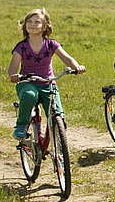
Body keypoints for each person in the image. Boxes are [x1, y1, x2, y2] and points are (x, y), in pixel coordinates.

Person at [6, 8, 86, 147]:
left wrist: (76, 67)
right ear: (25, 25)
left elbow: (67, 58)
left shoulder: (51, 44)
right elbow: (13, 67)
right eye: (29, 21)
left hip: (48, 83)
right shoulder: (22, 47)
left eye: (37, 22)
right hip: (27, 82)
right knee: (30, 95)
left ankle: (58, 147)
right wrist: (14, 76)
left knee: (57, 114)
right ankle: (21, 126)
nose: (32, 24)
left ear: (44, 26)